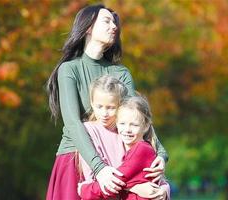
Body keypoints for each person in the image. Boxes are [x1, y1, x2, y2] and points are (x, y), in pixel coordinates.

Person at [46, 4, 168, 200]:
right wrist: (99, 168)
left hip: (114, 159)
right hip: (76, 158)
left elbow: (136, 118)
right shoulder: (70, 69)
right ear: (88, 27)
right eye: (107, 21)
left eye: (115, 23)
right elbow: (72, 123)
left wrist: (161, 154)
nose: (114, 26)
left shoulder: (121, 73)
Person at [77, 76, 169, 199]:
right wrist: (136, 187)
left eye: (110, 108)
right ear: (92, 104)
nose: (104, 113)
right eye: (123, 124)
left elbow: (117, 180)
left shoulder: (138, 145)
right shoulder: (88, 130)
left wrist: (84, 189)